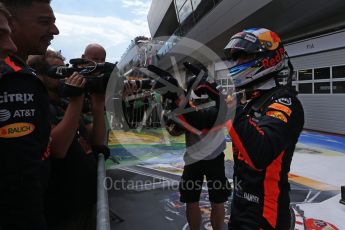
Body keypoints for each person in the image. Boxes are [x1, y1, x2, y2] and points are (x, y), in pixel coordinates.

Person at [223, 28, 305, 229]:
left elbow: (260, 153)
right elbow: (199, 122)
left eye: (243, 56)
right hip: (240, 207)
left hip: (266, 216)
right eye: (236, 58)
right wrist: (180, 101)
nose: (237, 63)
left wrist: (228, 106)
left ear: (267, 58)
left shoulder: (285, 102)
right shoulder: (253, 101)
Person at [28, 50, 106, 230]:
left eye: (65, 70)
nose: (65, 75)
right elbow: (57, 148)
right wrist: (76, 100)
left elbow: (95, 139)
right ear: (39, 74)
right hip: (62, 206)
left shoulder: (63, 103)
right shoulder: (40, 106)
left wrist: (98, 107)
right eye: (57, 71)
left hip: (82, 199)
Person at [0, 0, 59, 229]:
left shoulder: (23, 74)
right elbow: (19, 180)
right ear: (12, 24)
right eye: (44, 22)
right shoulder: (16, 78)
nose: (55, 30)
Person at [160, 66, 232, 230]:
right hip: (200, 156)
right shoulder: (194, 100)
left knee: (211, 200)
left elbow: (174, 130)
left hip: (208, 155)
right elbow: (174, 130)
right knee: (203, 199)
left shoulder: (198, 100)